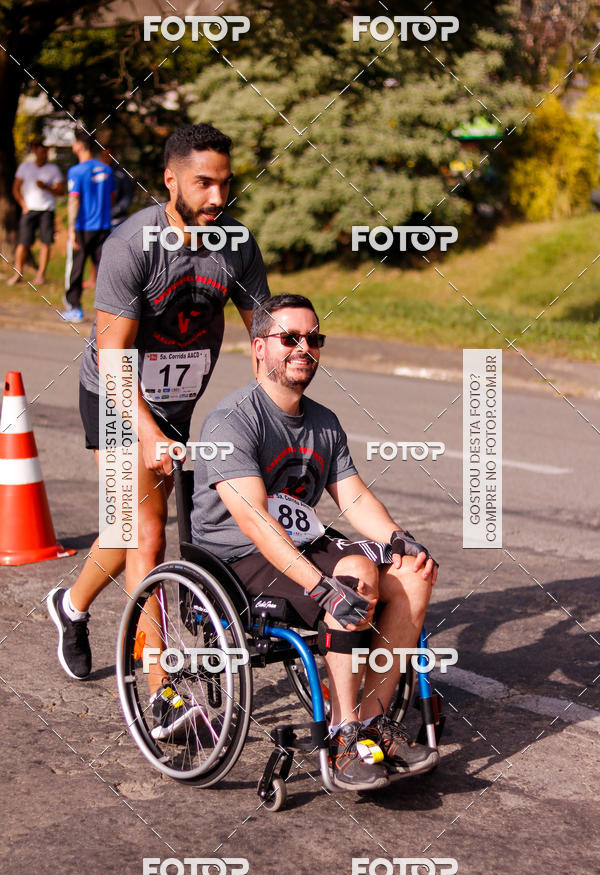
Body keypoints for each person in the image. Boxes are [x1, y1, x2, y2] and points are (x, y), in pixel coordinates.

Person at [46, 123, 270, 739]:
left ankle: (70, 606)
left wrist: (271, 408)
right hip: (117, 394)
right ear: (170, 179)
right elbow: (115, 358)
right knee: (143, 538)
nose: (217, 197)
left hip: (178, 395)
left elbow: (262, 337)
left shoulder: (237, 245)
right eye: (203, 183)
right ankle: (162, 687)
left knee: (124, 540)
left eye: (225, 184)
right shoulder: (131, 247)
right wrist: (146, 433)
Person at [190, 293, 440, 791]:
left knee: (414, 572)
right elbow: (256, 522)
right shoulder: (233, 420)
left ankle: (369, 728)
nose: (304, 347)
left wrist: (395, 536)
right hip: (236, 559)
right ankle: (344, 739)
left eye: (313, 338)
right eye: (290, 338)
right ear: (259, 347)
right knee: (355, 577)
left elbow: (353, 499)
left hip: (302, 543)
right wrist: (321, 585)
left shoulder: (323, 421)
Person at [61, 128, 115, 322]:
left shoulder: (76, 171)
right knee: (104, 270)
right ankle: (109, 313)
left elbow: (74, 200)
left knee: (75, 268)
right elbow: (112, 197)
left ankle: (75, 308)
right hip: (104, 227)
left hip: (83, 228)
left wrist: (70, 229)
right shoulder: (106, 169)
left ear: (79, 146)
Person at [9, 141, 64, 285]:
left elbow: (61, 191)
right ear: (35, 153)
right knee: (23, 242)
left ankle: (40, 275)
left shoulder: (53, 169)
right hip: (29, 210)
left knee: (46, 243)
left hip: (46, 210)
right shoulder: (25, 167)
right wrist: (23, 204)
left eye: (45, 153)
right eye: (41, 152)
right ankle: (18, 273)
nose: (43, 155)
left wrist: (46, 187)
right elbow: (15, 188)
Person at [82, 146, 135, 289]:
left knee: (116, 251)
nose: (107, 158)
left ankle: (117, 280)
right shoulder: (96, 173)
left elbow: (127, 196)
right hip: (99, 219)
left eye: (109, 155)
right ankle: (94, 278)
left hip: (117, 219)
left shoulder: (121, 175)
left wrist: (117, 210)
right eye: (104, 155)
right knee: (97, 251)